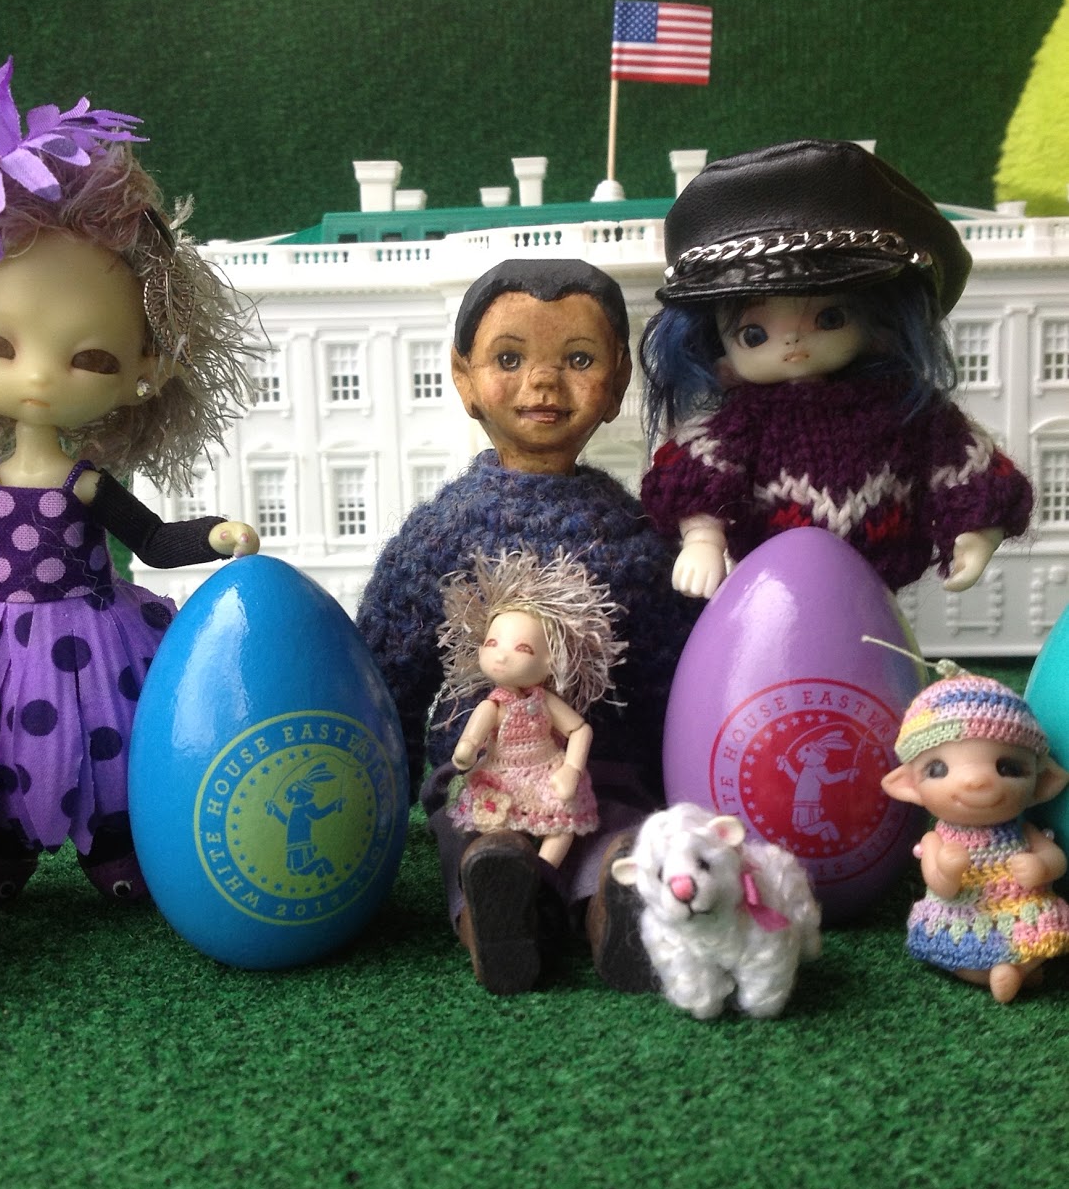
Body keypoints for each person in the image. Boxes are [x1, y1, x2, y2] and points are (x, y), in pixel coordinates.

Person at [0, 58, 258, 906]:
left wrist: (214, 534)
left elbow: (151, 540)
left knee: (111, 734)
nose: (39, 377)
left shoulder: (85, 485)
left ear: (146, 371)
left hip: (97, 635)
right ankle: (2, 845)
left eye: (90, 357)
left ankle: (111, 844)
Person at [356, 258, 695, 994]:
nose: (542, 384)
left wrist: (682, 780)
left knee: (620, 836)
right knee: (482, 841)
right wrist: (376, 795)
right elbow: (387, 670)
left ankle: (619, 904)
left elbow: (675, 676)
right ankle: (497, 911)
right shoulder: (441, 534)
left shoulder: (635, 537)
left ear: (617, 382)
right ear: (464, 377)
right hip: (483, 771)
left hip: (604, 771)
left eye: (578, 360)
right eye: (509, 360)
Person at [639, 140, 1032, 597]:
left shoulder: (906, 412)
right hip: (770, 595)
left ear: (879, 325)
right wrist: (702, 540)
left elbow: (968, 466)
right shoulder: (742, 423)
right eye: (754, 334)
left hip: (875, 595)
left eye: (829, 318)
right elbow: (697, 475)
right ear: (717, 352)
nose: (792, 342)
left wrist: (975, 532)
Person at [881, 674, 1069, 1003]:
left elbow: (1056, 859)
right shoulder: (936, 839)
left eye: (1008, 768)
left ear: (1042, 783)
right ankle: (1004, 973)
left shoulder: (1023, 830)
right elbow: (939, 884)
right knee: (954, 953)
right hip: (960, 913)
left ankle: (1016, 969)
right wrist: (946, 871)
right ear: (909, 786)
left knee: (1051, 929)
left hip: (1020, 908)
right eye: (938, 769)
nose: (976, 781)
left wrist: (1041, 866)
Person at [439, 547, 625, 869]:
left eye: (522, 648)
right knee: (494, 823)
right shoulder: (493, 705)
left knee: (562, 826)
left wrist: (571, 768)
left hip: (546, 772)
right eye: (492, 644)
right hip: (500, 775)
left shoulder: (545, 702)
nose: (502, 656)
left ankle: (542, 873)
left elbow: (579, 729)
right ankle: (504, 871)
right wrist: (466, 750)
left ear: (550, 661)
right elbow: (472, 738)